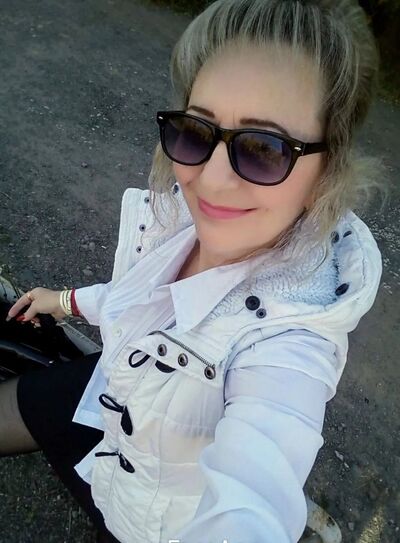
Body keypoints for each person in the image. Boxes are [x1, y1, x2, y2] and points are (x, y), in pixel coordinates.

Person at [0, 0, 391, 542]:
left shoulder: (289, 342)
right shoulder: (180, 220)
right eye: (197, 130)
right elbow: (140, 297)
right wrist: (65, 301)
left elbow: (255, 488)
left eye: (264, 148)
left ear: (328, 168)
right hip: (111, 392)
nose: (209, 180)